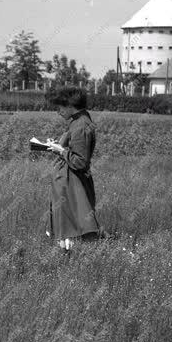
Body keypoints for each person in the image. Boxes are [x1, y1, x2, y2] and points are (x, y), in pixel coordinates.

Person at [44, 87, 101, 251]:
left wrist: (60, 150)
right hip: (69, 182)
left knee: (73, 223)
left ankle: (75, 258)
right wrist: (57, 144)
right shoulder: (79, 121)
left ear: (70, 105)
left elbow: (80, 161)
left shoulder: (81, 125)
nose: (58, 112)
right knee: (71, 222)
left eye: (59, 107)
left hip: (72, 183)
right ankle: (71, 255)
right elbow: (74, 148)